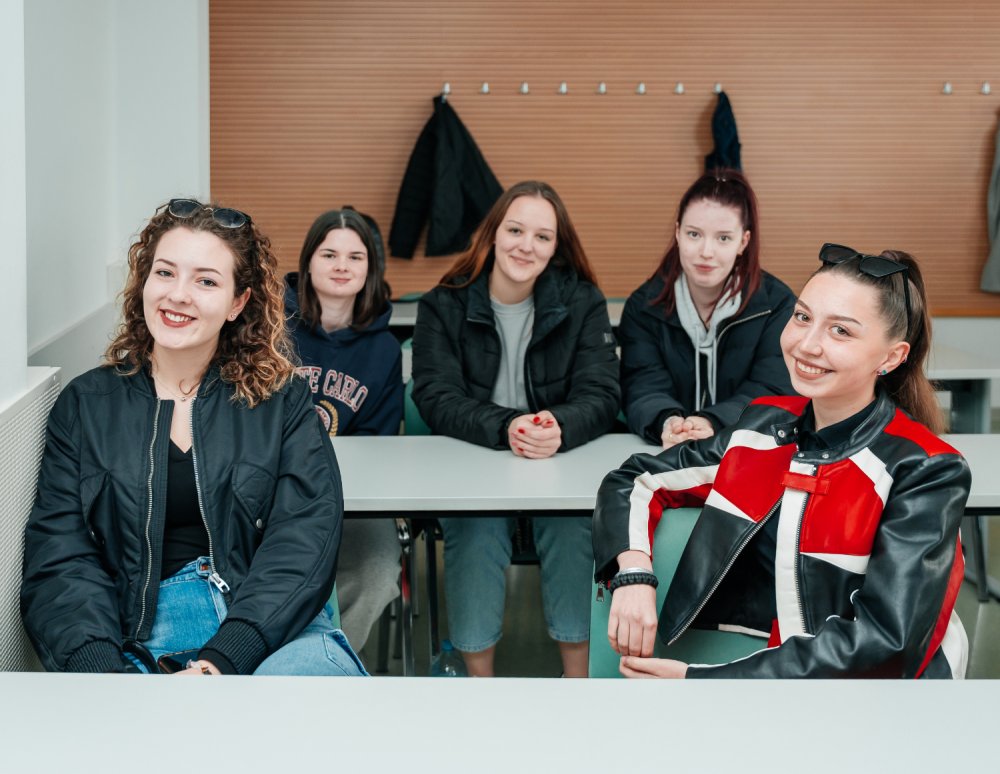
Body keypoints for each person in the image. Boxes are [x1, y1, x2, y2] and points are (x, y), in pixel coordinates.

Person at [21, 198, 367, 676]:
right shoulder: (86, 404)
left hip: (266, 627)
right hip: (136, 638)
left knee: (306, 703)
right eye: (165, 273)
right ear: (144, 282)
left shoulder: (282, 400)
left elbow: (303, 537)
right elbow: (60, 557)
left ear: (238, 302)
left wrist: (225, 658)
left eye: (206, 281)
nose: (178, 295)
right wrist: (102, 673)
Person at [594, 245, 970, 678]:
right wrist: (634, 574)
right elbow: (635, 479)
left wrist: (702, 681)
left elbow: (885, 645)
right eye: (802, 317)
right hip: (767, 673)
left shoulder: (926, 470)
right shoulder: (763, 427)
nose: (807, 345)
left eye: (840, 331)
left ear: (891, 357)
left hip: (881, 699)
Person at [412, 180, 620, 676]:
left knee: (575, 524)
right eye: (515, 230)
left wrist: (560, 425)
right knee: (475, 525)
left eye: (542, 237)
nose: (526, 245)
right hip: (478, 463)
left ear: (556, 247)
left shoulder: (582, 301)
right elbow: (435, 396)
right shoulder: (444, 303)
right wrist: (507, 426)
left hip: (557, 465)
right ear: (493, 233)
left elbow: (603, 393)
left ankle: (579, 678)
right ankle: (479, 683)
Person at [285, 208, 403, 653]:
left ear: (370, 269)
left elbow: (379, 440)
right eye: (329, 254)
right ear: (308, 262)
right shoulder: (269, 332)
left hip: (354, 494)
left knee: (377, 572)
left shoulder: (384, 349)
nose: (341, 266)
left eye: (355, 257)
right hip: (277, 490)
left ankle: (329, 663)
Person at [618, 169, 796, 449]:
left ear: (743, 242)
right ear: (678, 233)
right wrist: (668, 422)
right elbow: (642, 384)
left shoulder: (777, 305)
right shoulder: (643, 307)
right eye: (694, 234)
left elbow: (774, 390)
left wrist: (712, 423)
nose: (706, 252)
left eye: (723, 238)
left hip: (747, 452)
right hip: (666, 451)